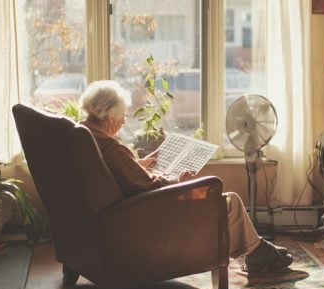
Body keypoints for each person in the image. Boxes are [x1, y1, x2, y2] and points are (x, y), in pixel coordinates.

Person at [79, 80, 293, 274]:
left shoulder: (85, 135)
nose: (123, 123)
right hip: (144, 215)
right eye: (122, 116)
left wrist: (138, 164)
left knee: (228, 201)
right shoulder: (109, 145)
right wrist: (178, 181)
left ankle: (257, 250)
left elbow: (119, 174)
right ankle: (257, 252)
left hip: (121, 214)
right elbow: (145, 185)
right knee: (229, 201)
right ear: (108, 116)